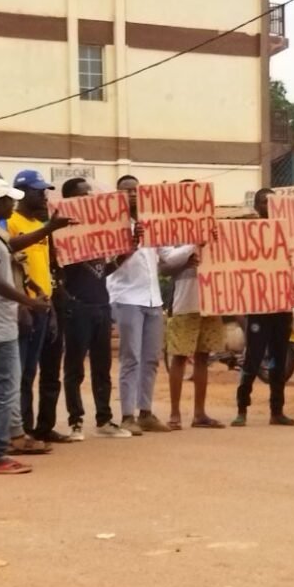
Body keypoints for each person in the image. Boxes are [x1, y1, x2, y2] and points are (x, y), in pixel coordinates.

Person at [0, 177, 53, 473]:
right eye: (8, 200)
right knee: (6, 387)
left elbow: (11, 257)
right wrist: (29, 302)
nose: (12, 204)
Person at [58, 178, 132, 440]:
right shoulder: (62, 232)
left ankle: (104, 419)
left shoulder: (98, 231)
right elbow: (57, 275)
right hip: (78, 308)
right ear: (69, 200)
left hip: (101, 305)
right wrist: (69, 301)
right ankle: (75, 421)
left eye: (89, 195)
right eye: (82, 196)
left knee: (102, 367)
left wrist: (128, 250)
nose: (88, 199)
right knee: (74, 368)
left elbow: (105, 270)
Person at [7, 170, 73, 442]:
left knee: (47, 370)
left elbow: (45, 270)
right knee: (23, 372)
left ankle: (43, 428)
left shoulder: (43, 224)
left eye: (45, 191)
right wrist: (48, 229)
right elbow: (11, 251)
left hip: (45, 305)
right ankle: (20, 430)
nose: (44, 196)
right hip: (24, 307)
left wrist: (53, 307)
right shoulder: (11, 222)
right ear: (21, 193)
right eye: (38, 191)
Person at [106, 175, 169, 436]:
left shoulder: (152, 223)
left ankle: (145, 411)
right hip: (127, 298)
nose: (132, 195)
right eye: (126, 191)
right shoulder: (110, 226)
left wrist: (193, 248)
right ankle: (127, 415)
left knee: (151, 358)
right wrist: (131, 243)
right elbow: (109, 264)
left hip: (153, 299)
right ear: (117, 195)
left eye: (136, 190)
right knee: (131, 357)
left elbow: (166, 258)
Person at [233, 187, 294, 427]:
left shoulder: (290, 233)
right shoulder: (249, 233)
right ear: (256, 206)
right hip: (259, 305)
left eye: (272, 201)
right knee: (253, 357)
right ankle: (242, 408)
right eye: (263, 202)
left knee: (279, 359)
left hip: (281, 306)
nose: (268, 205)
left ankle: (277, 411)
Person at [158, 207, 225, 430]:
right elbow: (165, 266)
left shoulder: (215, 229)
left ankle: (199, 413)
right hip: (185, 302)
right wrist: (192, 247)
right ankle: (175, 413)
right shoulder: (172, 232)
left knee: (203, 356)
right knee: (179, 356)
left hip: (210, 301)